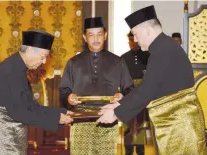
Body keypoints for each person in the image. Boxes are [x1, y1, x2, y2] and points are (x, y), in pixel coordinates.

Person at [97, 5, 206, 155]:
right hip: (178, 126)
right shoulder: (165, 47)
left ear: (147, 30)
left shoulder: (163, 51)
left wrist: (116, 113)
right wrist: (119, 104)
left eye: (135, 34)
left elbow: (148, 90)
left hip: (181, 128)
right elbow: (153, 88)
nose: (134, 39)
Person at [0, 31, 73, 155]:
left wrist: (61, 112)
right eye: (43, 56)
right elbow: (20, 113)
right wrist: (56, 119)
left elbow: (30, 106)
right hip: (1, 132)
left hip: (10, 131)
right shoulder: (12, 71)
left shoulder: (19, 68)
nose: (44, 62)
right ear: (30, 50)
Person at [59, 17, 133, 155]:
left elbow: (129, 88)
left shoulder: (118, 61)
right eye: (91, 35)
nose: (96, 39)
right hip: (81, 118)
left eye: (99, 34)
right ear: (84, 37)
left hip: (107, 116)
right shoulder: (73, 63)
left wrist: (122, 96)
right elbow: (64, 89)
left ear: (105, 35)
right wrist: (69, 97)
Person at [121, 31, 150, 145]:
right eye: (130, 40)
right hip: (128, 93)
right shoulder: (123, 58)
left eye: (134, 40)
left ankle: (140, 149)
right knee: (127, 122)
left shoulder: (148, 56)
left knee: (140, 122)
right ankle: (128, 149)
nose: (132, 43)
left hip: (143, 93)